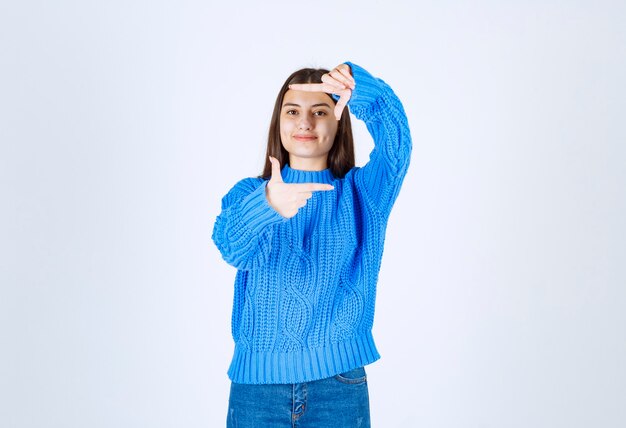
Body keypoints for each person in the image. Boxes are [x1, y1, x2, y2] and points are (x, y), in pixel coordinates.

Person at [212, 61, 411, 427]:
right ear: (279, 121)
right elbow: (231, 247)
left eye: (320, 111)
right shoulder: (249, 194)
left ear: (338, 120)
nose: (305, 122)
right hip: (258, 389)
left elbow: (396, 148)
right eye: (293, 111)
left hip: (338, 383)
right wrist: (267, 206)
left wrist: (363, 90)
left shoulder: (363, 193)